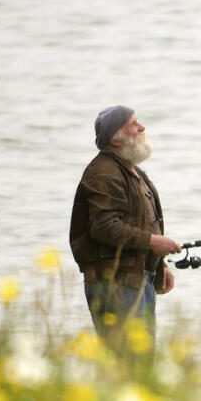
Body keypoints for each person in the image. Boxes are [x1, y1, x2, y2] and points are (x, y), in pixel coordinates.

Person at [69, 106, 181, 359]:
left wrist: (158, 265)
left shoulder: (132, 170)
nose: (142, 127)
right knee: (125, 364)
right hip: (115, 284)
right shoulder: (103, 173)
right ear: (115, 139)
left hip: (139, 279)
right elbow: (104, 227)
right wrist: (153, 243)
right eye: (133, 124)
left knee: (141, 363)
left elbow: (143, 222)